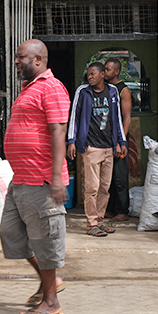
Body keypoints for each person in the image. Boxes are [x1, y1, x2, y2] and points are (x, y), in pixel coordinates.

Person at [0, 39, 69, 314]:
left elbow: (57, 132)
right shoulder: (29, 89)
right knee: (10, 233)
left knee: (44, 240)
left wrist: (56, 179)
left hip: (41, 180)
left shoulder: (51, 87)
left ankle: (51, 302)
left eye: (20, 57)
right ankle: (50, 280)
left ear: (38, 60)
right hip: (21, 180)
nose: (16, 62)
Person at [67, 62, 126, 237]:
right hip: (91, 147)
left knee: (104, 188)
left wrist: (121, 141)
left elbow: (117, 118)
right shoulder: (83, 92)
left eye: (93, 74)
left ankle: (99, 221)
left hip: (109, 147)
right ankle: (91, 223)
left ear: (102, 75)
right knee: (92, 188)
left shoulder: (113, 91)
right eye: (88, 74)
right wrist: (72, 141)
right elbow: (74, 117)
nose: (90, 77)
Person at [104, 57, 133, 223]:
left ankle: (122, 210)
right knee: (109, 176)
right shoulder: (105, 88)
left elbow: (127, 118)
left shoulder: (124, 90)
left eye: (108, 69)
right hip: (105, 138)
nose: (105, 72)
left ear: (116, 71)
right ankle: (110, 209)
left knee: (120, 176)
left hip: (119, 138)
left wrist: (121, 142)